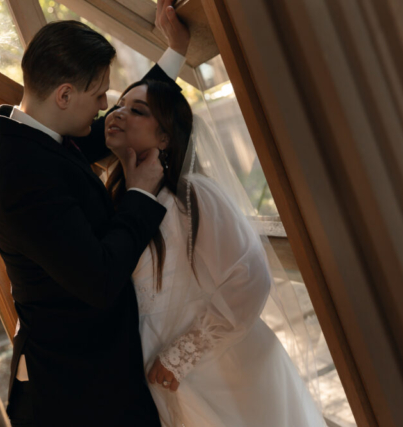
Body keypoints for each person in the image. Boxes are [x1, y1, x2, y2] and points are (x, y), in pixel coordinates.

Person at [0, 4, 191, 426]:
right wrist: (140, 194)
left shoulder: (36, 136)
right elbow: (98, 279)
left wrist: (175, 54)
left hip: (90, 379)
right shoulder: (20, 172)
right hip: (77, 395)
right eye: (98, 96)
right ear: (64, 95)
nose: (105, 108)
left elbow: (124, 123)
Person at [103, 79, 327, 426]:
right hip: (153, 373)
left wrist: (181, 356)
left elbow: (250, 277)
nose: (118, 113)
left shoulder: (192, 196)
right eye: (118, 104)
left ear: (164, 137)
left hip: (217, 371)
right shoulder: (113, 198)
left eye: (137, 110)